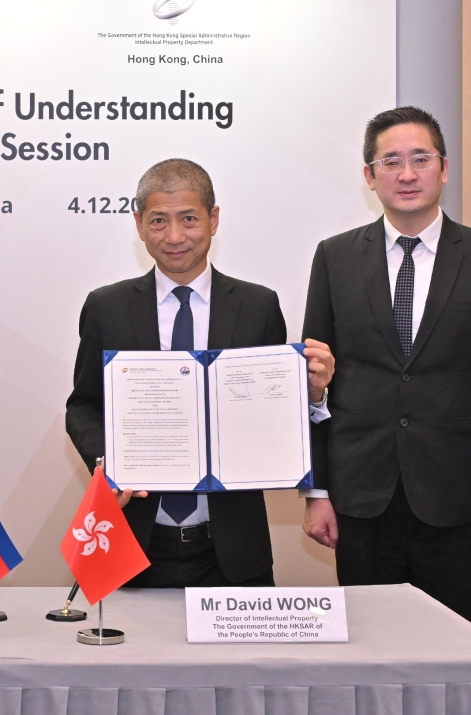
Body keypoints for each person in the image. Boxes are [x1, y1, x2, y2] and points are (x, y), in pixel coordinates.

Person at [302, 106, 471, 621]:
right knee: (367, 645)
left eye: (420, 159)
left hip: (458, 496)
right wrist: (316, 490)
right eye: (391, 162)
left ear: (444, 168)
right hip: (359, 496)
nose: (406, 174)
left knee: (448, 646)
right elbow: (312, 384)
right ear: (370, 177)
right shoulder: (335, 258)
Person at [66, 159, 335, 588]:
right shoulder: (106, 307)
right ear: (139, 225)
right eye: (158, 220)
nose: (174, 236)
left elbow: (276, 419)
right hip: (134, 541)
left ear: (213, 219)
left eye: (189, 219)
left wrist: (313, 395)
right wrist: (108, 463)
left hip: (233, 547)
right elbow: (83, 406)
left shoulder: (258, 306)